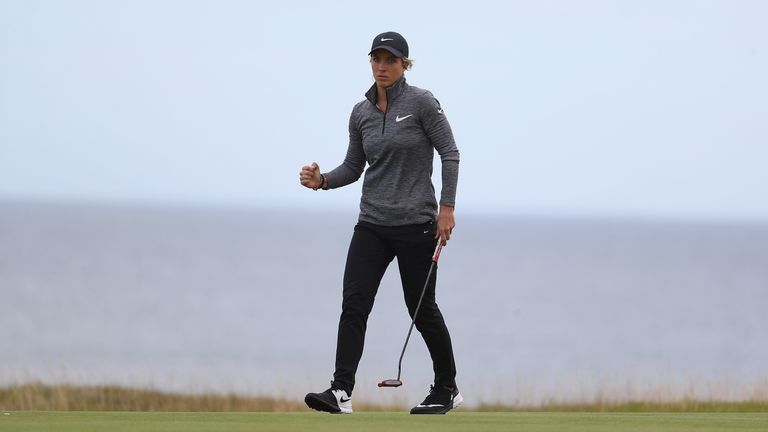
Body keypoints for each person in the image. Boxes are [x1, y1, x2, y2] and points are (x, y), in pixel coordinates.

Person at [299, 31, 461, 415]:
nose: (382, 67)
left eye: (391, 60)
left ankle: (446, 388)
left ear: (405, 64)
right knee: (354, 305)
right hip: (371, 224)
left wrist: (446, 208)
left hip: (416, 225)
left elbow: (450, 154)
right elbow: (354, 167)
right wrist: (323, 181)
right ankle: (341, 392)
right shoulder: (361, 112)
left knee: (421, 309)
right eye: (377, 59)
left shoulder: (422, 103)